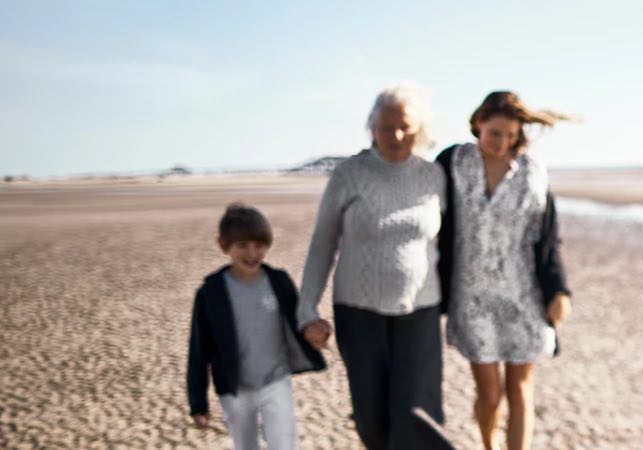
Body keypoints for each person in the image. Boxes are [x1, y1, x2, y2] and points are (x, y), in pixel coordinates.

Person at [297, 82, 448, 449]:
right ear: (372, 128)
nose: (395, 135)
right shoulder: (349, 174)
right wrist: (306, 309)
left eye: (405, 127)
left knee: (416, 412)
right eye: (385, 127)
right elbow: (323, 244)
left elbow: (450, 244)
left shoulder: (434, 177)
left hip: (421, 312)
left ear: (420, 129)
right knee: (371, 417)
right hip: (358, 313)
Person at [436, 91, 574, 450]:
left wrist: (559, 291)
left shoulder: (532, 171)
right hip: (472, 297)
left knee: (521, 387)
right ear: (478, 122)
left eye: (511, 136)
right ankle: (487, 445)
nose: (503, 143)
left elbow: (547, 238)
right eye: (496, 133)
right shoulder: (453, 161)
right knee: (490, 393)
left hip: (523, 295)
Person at [187, 203, 327, 450]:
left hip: (276, 380)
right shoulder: (210, 293)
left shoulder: (279, 281)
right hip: (234, 389)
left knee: (284, 444)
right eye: (242, 246)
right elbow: (199, 350)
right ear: (223, 245)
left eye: (259, 245)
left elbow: (301, 321)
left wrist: (317, 330)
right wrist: (198, 403)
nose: (252, 253)